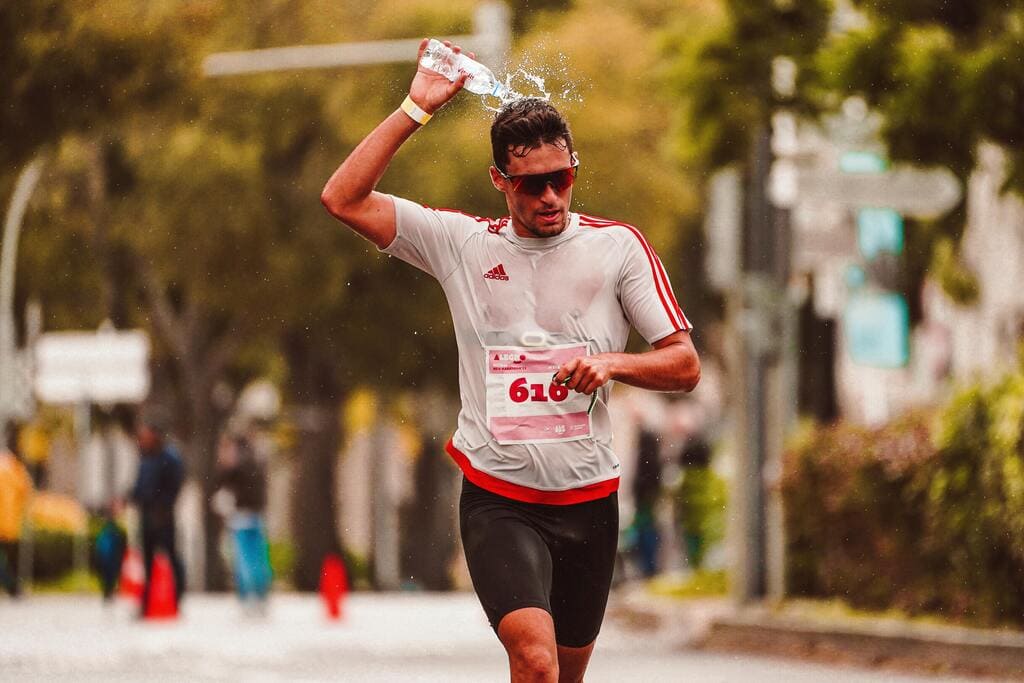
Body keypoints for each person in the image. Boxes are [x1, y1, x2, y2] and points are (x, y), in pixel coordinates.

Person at [321, 39, 700, 682]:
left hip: (589, 500)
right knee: (534, 661)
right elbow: (344, 198)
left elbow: (684, 364)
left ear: (574, 170)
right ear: (500, 180)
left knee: (565, 677)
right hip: (500, 499)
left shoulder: (618, 249)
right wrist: (416, 107)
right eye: (531, 184)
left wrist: (612, 364)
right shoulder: (460, 244)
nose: (550, 196)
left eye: (563, 178)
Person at [130, 413, 186, 615]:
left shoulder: (170, 458)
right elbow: (140, 486)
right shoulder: (146, 457)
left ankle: (177, 600)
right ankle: (146, 604)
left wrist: (163, 507)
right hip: (146, 515)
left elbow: (175, 487)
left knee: (171, 557)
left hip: (163, 516)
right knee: (147, 560)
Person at [212, 432, 272, 614]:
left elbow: (223, 481)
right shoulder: (257, 461)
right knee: (258, 559)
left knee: (245, 560)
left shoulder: (238, 465)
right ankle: (260, 595)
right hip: (255, 514)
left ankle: (249, 596)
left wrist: (225, 464)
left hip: (242, 516)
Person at [0, 439, 32, 598]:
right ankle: (14, 588)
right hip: (11, 525)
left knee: (6, 562)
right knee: (11, 561)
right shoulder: (17, 470)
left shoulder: (5, 469)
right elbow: (26, 492)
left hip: (7, 523)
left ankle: (13, 587)